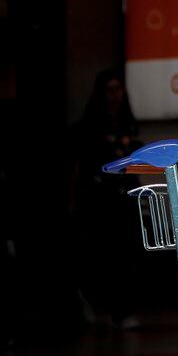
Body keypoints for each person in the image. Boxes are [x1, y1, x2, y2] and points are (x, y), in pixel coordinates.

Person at [70, 68, 143, 329]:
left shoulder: (128, 123)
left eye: (118, 89)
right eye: (109, 90)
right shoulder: (89, 127)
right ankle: (93, 304)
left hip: (126, 197)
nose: (115, 96)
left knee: (127, 254)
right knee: (101, 254)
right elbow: (80, 166)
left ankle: (120, 311)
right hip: (100, 199)